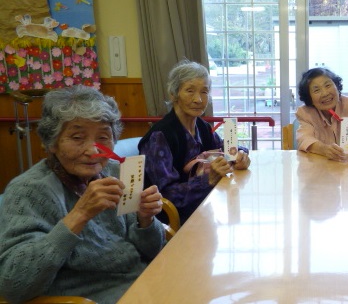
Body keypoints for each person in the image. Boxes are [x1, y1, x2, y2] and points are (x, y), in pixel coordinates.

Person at [0, 86, 165, 304]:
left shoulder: (115, 171)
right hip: (92, 297)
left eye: (103, 137)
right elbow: (14, 285)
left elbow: (153, 251)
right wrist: (79, 215)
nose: (93, 151)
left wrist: (145, 221)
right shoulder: (28, 191)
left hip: (144, 281)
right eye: (77, 137)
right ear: (52, 142)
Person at [138, 60, 250, 224]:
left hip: (207, 206)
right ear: (174, 94)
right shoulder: (159, 137)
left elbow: (224, 149)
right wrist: (208, 179)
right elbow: (166, 194)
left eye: (204, 92)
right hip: (175, 219)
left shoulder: (202, 127)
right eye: (190, 91)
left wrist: (240, 155)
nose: (198, 99)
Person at [295, 67, 348, 161]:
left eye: (328, 85)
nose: (325, 93)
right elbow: (304, 138)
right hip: (322, 166)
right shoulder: (305, 113)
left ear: (337, 86)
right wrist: (323, 149)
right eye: (316, 90)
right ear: (309, 97)